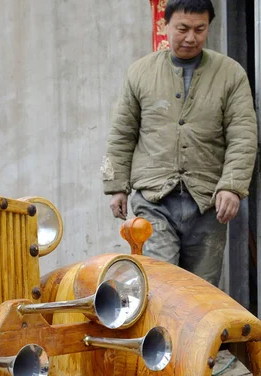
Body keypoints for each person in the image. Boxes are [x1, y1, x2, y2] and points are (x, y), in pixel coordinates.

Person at [102, 0, 257, 286]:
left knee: (201, 290)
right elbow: (123, 132)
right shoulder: (140, 73)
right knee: (162, 284)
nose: (191, 37)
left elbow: (243, 134)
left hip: (207, 202)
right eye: (182, 28)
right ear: (165, 25)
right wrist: (116, 187)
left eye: (200, 29)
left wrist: (232, 187)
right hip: (154, 199)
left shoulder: (230, 74)